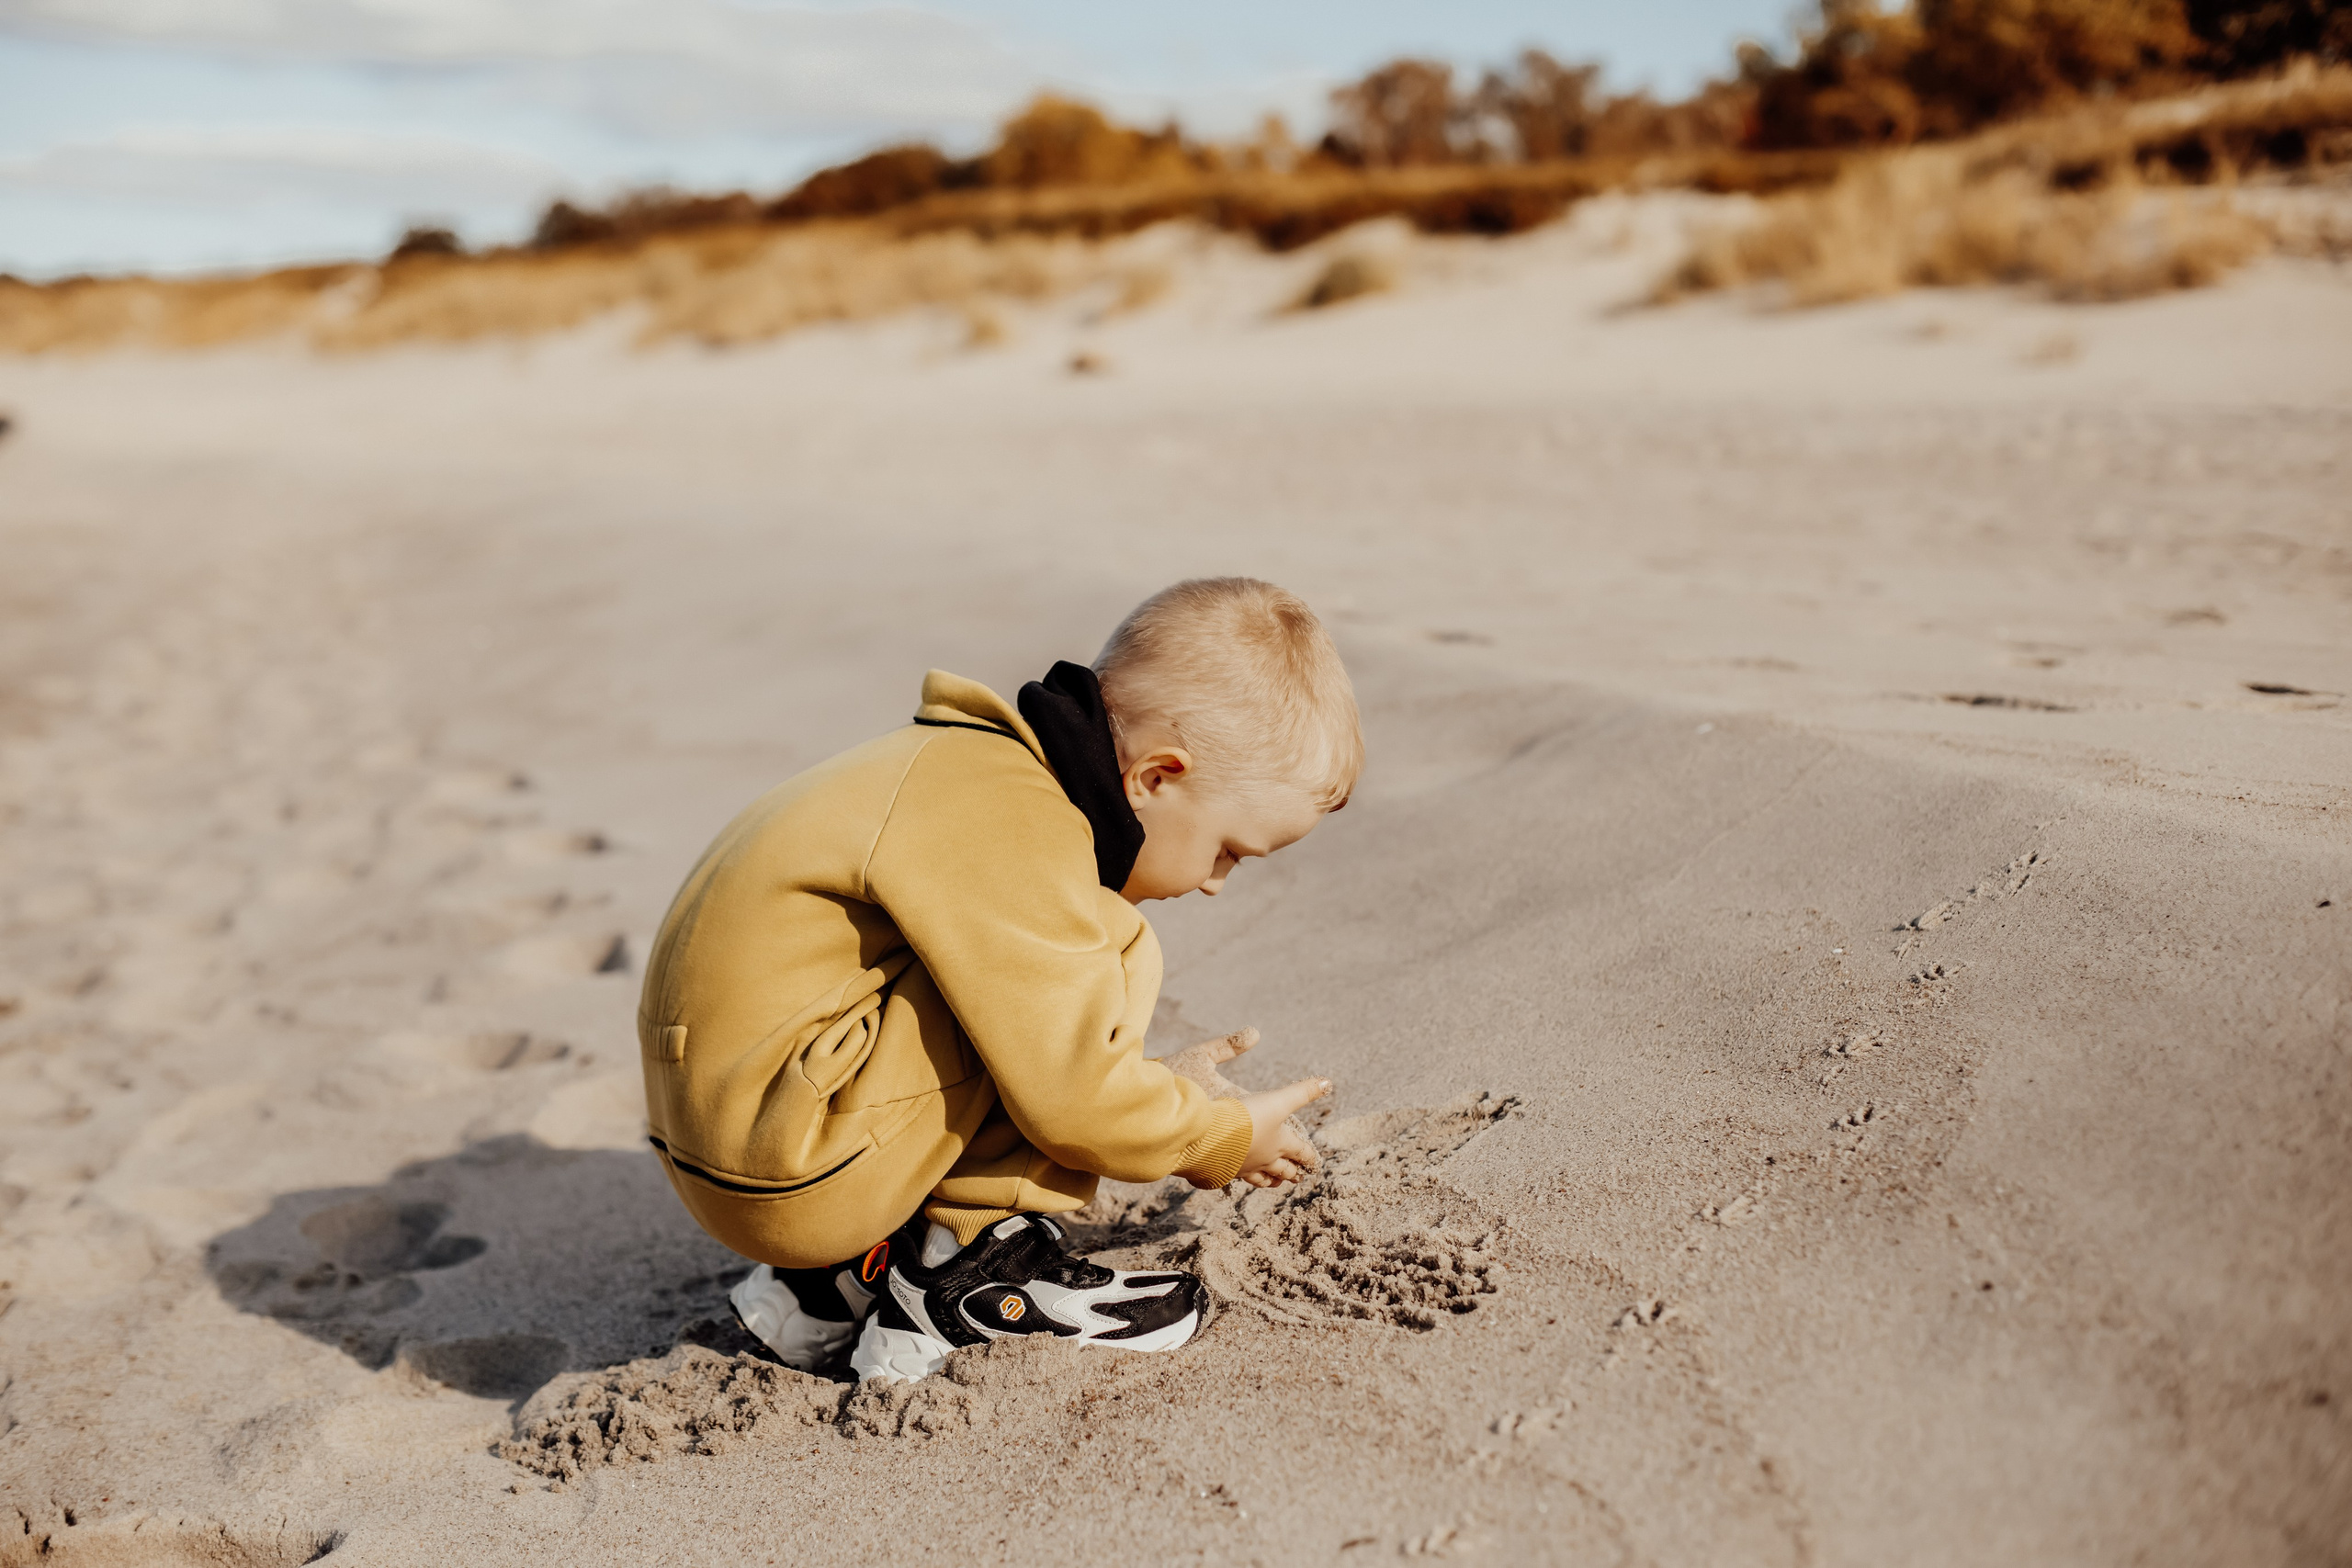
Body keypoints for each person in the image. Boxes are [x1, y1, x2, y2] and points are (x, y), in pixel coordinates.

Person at [637, 577, 1361, 1382]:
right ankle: (967, 1274)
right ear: (1156, 777)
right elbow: (1071, 1094)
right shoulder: (1022, 826)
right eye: (1228, 850)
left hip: (739, 1133)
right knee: (1111, 940)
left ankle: (835, 1284)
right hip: (792, 1174)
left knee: (1013, 979)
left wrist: (1153, 1088)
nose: (1217, 882)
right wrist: (1216, 1132)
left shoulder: (965, 769)